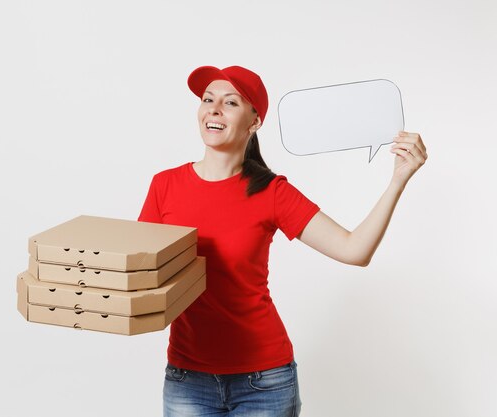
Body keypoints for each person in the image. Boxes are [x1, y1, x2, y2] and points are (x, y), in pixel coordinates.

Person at [138, 65, 427, 417]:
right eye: (207, 100)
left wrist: (398, 179)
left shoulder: (271, 192)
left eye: (230, 103)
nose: (213, 109)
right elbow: (142, 274)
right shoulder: (164, 186)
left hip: (264, 382)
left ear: (254, 122)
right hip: (187, 378)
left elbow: (354, 250)